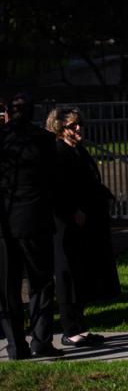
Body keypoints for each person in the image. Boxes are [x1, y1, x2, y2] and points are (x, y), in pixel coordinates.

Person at [47, 107, 120, 349]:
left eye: (80, 124)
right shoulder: (58, 152)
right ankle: (70, 329)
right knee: (67, 275)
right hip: (66, 225)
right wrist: (73, 210)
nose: (78, 128)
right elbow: (57, 189)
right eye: (72, 125)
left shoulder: (79, 150)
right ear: (60, 128)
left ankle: (80, 325)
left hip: (84, 223)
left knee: (80, 275)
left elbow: (90, 182)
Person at [0, 92, 62, 359]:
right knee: (41, 283)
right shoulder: (44, 141)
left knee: (8, 287)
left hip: (4, 222)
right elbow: (53, 181)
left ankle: (15, 344)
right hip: (36, 219)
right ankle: (41, 339)